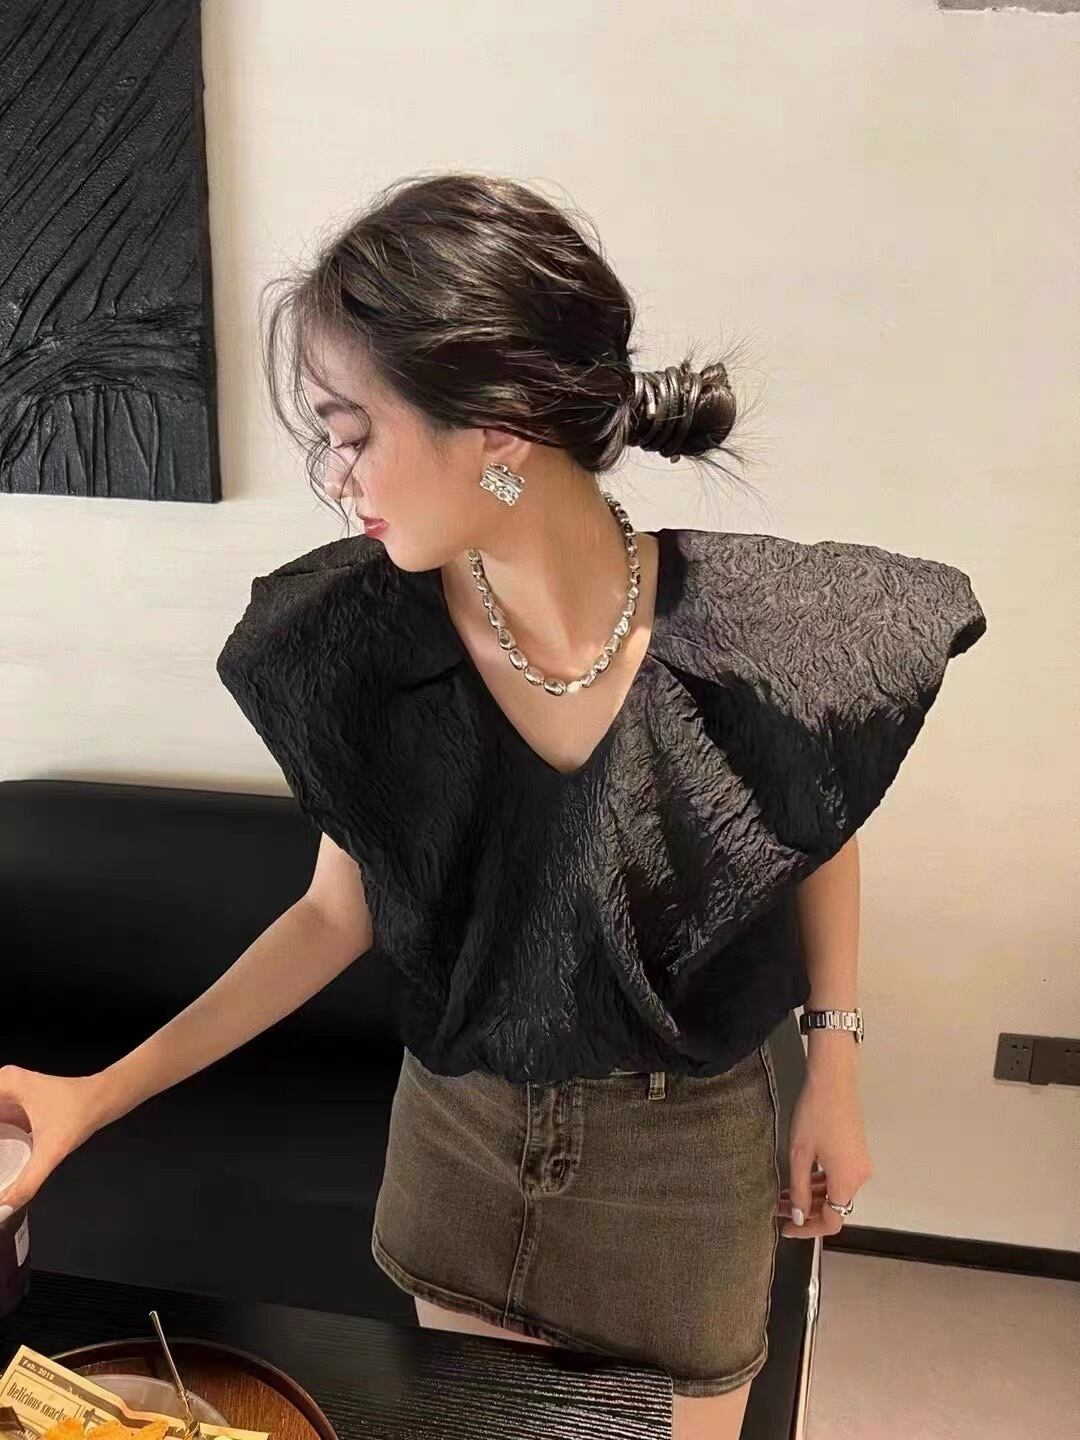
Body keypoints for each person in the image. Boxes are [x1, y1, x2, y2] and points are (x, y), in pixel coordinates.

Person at [0, 172, 987, 1440]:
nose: (337, 477)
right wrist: (97, 1091)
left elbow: (810, 827)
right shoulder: (363, 643)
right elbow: (329, 917)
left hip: (684, 1169)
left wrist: (834, 1064)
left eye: (354, 431)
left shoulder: (767, 635)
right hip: (457, 1143)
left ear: (499, 427)